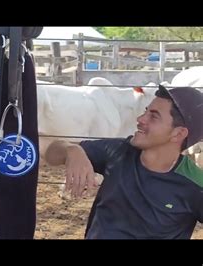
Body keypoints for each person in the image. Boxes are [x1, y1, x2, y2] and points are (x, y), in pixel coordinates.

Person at [45, 85, 203, 239]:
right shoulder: (118, 151)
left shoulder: (195, 184)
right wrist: (71, 150)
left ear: (178, 134)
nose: (140, 119)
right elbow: (51, 153)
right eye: (145, 111)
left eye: (153, 116)